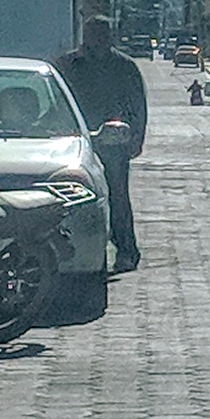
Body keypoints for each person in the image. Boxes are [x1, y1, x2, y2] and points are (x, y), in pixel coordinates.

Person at [55, 17, 147, 272]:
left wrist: (137, 137)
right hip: (72, 143)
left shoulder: (123, 66)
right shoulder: (67, 65)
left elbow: (137, 105)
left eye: (102, 33)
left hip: (113, 143)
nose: (97, 38)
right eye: (93, 33)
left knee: (117, 198)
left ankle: (127, 251)